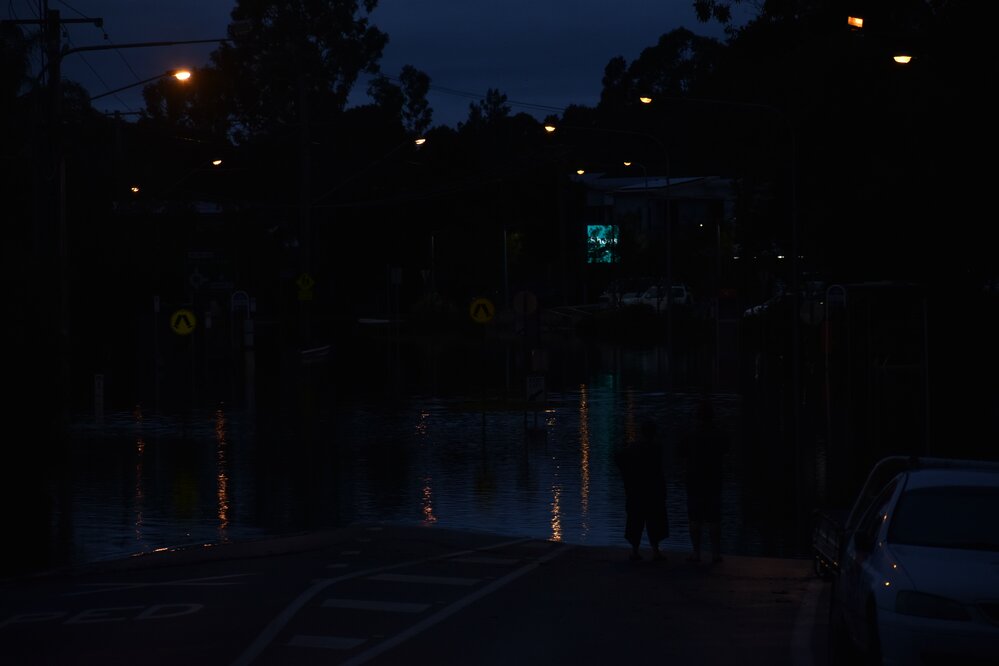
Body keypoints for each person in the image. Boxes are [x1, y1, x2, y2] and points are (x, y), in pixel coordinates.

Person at [678, 396, 730, 563]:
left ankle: (696, 552)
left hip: (694, 482)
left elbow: (682, 454)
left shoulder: (690, 435)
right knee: (714, 520)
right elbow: (725, 452)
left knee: (694, 519)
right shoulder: (720, 434)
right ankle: (715, 553)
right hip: (714, 481)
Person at [614, 419, 669, 562]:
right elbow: (659, 471)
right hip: (653, 491)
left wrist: (627, 477)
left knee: (635, 521)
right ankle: (656, 551)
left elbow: (618, 458)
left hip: (636, 490)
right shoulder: (657, 448)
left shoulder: (633, 447)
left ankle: (635, 551)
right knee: (655, 521)